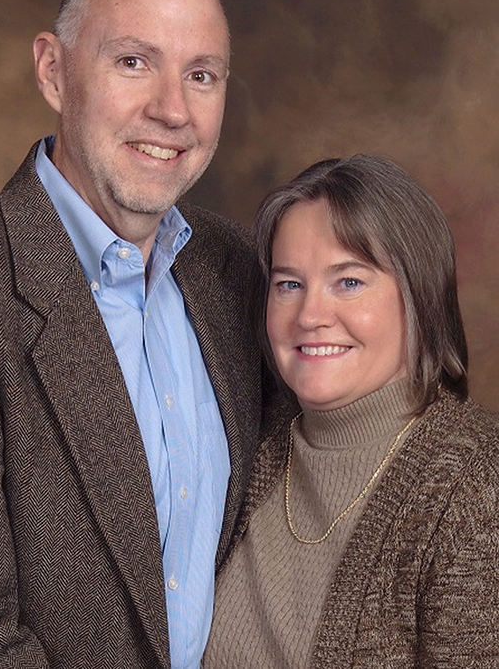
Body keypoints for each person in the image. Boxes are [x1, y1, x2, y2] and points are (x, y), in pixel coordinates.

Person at [0, 0, 263, 669]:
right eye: (133, 61)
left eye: (201, 74)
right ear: (53, 70)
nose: (172, 110)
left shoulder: (239, 272)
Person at [203, 154, 499, 668]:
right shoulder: (253, 435)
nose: (311, 316)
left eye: (349, 282)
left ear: (418, 295)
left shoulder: (475, 485)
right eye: (289, 285)